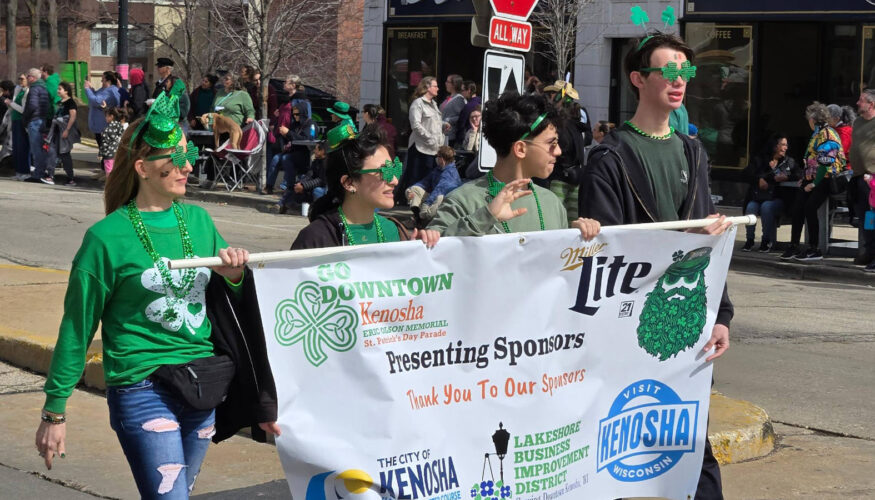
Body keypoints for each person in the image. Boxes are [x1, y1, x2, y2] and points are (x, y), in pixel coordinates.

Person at [34, 92, 279, 498]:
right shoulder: (104, 239)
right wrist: (54, 411)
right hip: (142, 387)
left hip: (203, 382)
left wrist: (233, 274)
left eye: (187, 154)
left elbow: (225, 295)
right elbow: (77, 330)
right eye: (174, 157)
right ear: (142, 167)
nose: (187, 166)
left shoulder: (199, 220)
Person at [578, 33, 733, 500]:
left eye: (685, 71)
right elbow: (611, 251)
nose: (678, 80)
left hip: (686, 322)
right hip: (629, 327)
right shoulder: (609, 157)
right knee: (619, 450)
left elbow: (711, 243)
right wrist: (685, 238)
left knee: (690, 445)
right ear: (638, 79)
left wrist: (721, 314)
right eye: (668, 71)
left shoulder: (692, 152)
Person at [428, 91, 600, 240]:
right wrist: (486, 216)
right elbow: (432, 258)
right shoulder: (463, 201)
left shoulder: (552, 203)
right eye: (552, 143)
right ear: (520, 149)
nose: (558, 152)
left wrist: (578, 239)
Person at [291, 123, 440, 249]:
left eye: (395, 169)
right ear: (349, 183)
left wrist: (417, 251)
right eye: (384, 171)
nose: (394, 180)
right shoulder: (315, 239)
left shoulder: (395, 231)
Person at [779, 102, 848, 261]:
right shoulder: (817, 133)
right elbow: (811, 159)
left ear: (813, 119)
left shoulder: (827, 134)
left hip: (825, 179)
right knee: (798, 208)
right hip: (812, 177)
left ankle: (814, 248)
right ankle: (794, 245)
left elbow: (825, 163)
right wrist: (805, 179)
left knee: (810, 208)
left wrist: (814, 184)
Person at [741, 133, 799, 252]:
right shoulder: (760, 160)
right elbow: (745, 174)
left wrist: (786, 178)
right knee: (751, 207)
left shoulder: (789, 162)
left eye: (786, 145)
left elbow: (799, 174)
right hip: (759, 196)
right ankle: (749, 240)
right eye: (783, 144)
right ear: (774, 146)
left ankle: (766, 241)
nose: (785, 147)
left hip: (778, 198)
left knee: (767, 207)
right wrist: (759, 179)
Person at [542, 80, 588, 224]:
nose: (550, 96)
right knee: (569, 218)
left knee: (556, 217)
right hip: (574, 176)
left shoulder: (559, 121)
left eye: (553, 93)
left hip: (561, 176)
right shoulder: (578, 119)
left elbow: (564, 147)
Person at [399, 77, 442, 203]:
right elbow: (416, 125)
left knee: (429, 177)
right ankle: (412, 204)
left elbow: (434, 123)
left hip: (433, 148)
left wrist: (444, 125)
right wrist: (430, 138)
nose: (438, 88)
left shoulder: (434, 104)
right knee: (416, 177)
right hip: (420, 147)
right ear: (428, 87)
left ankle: (424, 202)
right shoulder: (418, 103)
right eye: (435, 86)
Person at [849, 89, 875, 270]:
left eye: (862, 100)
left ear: (871, 104)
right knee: (865, 217)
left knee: (873, 218)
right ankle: (869, 251)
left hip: (872, 179)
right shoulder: (857, 122)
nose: (858, 103)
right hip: (858, 176)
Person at [406, 145, 462, 223]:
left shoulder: (450, 174)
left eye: (437, 156)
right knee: (414, 189)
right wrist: (410, 189)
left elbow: (438, 191)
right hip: (433, 197)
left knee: (439, 198)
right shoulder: (438, 169)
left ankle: (426, 220)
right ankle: (418, 217)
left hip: (446, 202)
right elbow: (425, 182)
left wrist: (426, 204)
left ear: (442, 159)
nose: (436, 158)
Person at [44, 81, 81, 186]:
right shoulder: (60, 102)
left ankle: (71, 178)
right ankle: (50, 176)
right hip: (56, 132)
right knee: (52, 153)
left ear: (66, 91)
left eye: (60, 89)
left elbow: (72, 116)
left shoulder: (71, 102)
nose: (58, 91)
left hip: (63, 132)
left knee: (65, 155)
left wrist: (67, 130)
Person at [273, 103, 313, 197]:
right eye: (294, 114)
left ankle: (290, 187)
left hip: (304, 153)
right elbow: (287, 136)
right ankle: (269, 186)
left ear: (303, 113)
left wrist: (288, 133)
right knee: (275, 158)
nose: (295, 116)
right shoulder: (294, 124)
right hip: (291, 150)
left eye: (297, 114)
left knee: (286, 158)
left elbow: (307, 139)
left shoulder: (310, 124)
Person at [280, 141, 328, 215]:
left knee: (317, 191)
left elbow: (321, 181)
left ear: (322, 151)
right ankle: (283, 205)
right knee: (296, 184)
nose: (314, 151)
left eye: (316, 149)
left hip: (325, 189)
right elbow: (309, 175)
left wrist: (304, 186)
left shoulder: (326, 163)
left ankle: (318, 212)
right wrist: (301, 184)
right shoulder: (316, 162)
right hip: (316, 184)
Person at [22, 68, 52, 184]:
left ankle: (38, 174)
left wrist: (25, 118)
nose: (27, 78)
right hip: (41, 119)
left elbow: (32, 106)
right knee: (40, 148)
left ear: (32, 78)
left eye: (28, 76)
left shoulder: (34, 89)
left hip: (34, 120)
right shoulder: (43, 88)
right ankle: (40, 172)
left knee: (36, 149)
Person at [84, 71, 121, 154]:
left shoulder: (110, 91)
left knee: (105, 151)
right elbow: (97, 96)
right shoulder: (105, 90)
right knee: (103, 149)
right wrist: (91, 90)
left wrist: (87, 89)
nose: (101, 81)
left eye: (103, 79)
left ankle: (106, 166)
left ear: (108, 81)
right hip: (100, 126)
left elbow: (96, 101)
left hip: (103, 126)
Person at [3, 74, 31, 180]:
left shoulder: (27, 91)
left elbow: (23, 109)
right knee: (16, 148)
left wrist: (11, 103)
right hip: (15, 120)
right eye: (19, 78)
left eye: (22, 79)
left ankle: (25, 171)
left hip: (21, 121)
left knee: (23, 147)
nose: (20, 80)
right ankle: (19, 172)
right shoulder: (19, 90)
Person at [440, 74, 466, 147]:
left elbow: (460, 117)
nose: (445, 83)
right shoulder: (450, 97)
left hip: (450, 135)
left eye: (448, 82)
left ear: (454, 84)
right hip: (443, 133)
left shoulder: (459, 99)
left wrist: (447, 120)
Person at [98, 107, 126, 176]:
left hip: (109, 153)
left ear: (111, 116)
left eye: (106, 116)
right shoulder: (121, 126)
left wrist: (100, 154)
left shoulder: (107, 129)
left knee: (109, 172)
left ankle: (109, 185)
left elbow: (104, 143)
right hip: (119, 153)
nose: (105, 118)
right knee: (117, 173)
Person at [455, 81, 481, 145]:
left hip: (469, 138)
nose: (461, 93)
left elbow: (461, 125)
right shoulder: (481, 101)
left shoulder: (469, 106)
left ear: (469, 90)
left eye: (462, 90)